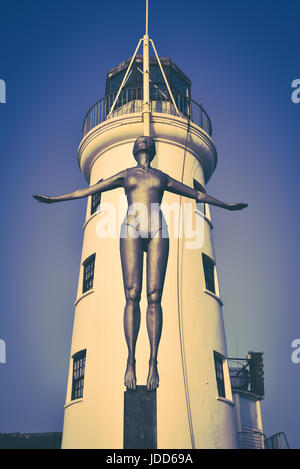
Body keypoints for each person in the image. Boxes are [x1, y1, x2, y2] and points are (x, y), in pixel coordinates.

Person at [33, 136, 247, 391]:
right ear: (135, 150)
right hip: (131, 228)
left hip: (158, 228)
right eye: (140, 141)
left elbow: (197, 193)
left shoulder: (161, 176)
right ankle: (131, 361)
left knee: (155, 296)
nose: (143, 142)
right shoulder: (126, 174)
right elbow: (90, 190)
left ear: (151, 149)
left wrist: (227, 205)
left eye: (146, 141)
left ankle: (153, 362)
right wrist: (55, 199)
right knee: (132, 295)